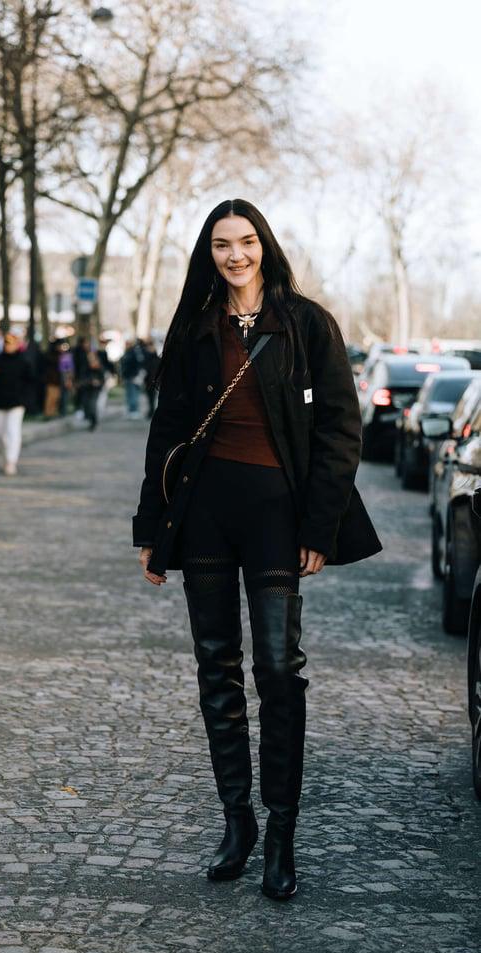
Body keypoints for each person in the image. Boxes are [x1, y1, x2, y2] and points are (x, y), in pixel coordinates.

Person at [133, 199, 382, 900]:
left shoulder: (306, 325)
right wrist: (151, 530)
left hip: (278, 517)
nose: (234, 255)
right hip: (206, 515)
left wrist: (319, 528)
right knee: (217, 670)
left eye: (245, 242)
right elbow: (168, 430)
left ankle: (281, 834)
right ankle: (236, 823)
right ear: (207, 253)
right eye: (221, 244)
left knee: (277, 669)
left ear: (264, 246)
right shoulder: (194, 328)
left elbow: (341, 432)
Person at [0, 328, 32, 474]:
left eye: (11, 343)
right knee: (0, 434)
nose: (8, 346)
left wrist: (25, 399)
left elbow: (30, 381)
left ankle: (11, 460)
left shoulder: (23, 361)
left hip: (16, 402)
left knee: (13, 431)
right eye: (6, 343)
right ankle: (6, 457)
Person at [77, 350, 106, 430]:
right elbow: (82, 378)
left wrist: (98, 382)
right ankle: (90, 419)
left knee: (92, 405)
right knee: (86, 404)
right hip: (86, 388)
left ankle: (94, 422)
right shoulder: (85, 367)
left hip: (95, 390)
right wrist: (88, 381)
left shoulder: (99, 367)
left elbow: (102, 379)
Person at [120, 338, 146, 419]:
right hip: (128, 377)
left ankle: (134, 410)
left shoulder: (133, 353)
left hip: (133, 377)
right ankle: (132, 410)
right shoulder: (128, 353)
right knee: (130, 394)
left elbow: (137, 364)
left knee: (133, 394)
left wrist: (136, 375)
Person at [142, 339, 161, 420]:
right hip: (148, 380)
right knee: (150, 397)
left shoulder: (155, 358)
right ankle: (151, 410)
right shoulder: (147, 357)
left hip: (153, 380)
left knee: (153, 397)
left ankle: (152, 411)